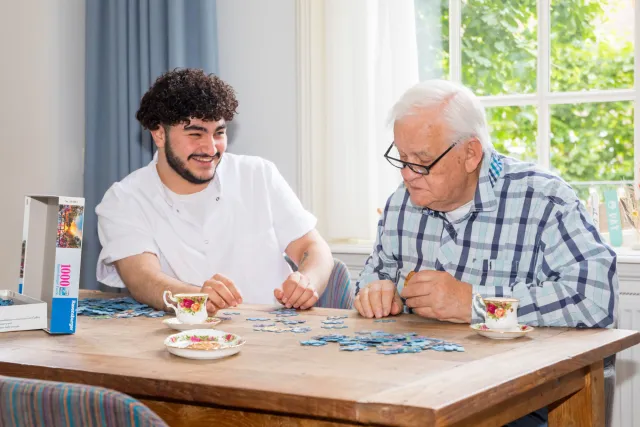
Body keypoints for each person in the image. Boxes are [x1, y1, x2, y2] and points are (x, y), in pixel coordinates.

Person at [353, 79, 619, 426]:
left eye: (421, 160)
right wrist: (374, 292)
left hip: (523, 400)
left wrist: (476, 305)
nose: (407, 174)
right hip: (416, 391)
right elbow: (375, 274)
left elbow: (597, 298)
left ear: (470, 154)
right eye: (401, 158)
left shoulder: (543, 199)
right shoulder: (401, 203)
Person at [95, 68, 334, 315]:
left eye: (219, 133)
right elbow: (142, 278)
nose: (210, 148)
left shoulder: (258, 174)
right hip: (180, 342)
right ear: (158, 134)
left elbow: (313, 247)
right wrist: (196, 298)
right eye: (196, 134)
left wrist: (307, 281)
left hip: (276, 337)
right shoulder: (124, 199)